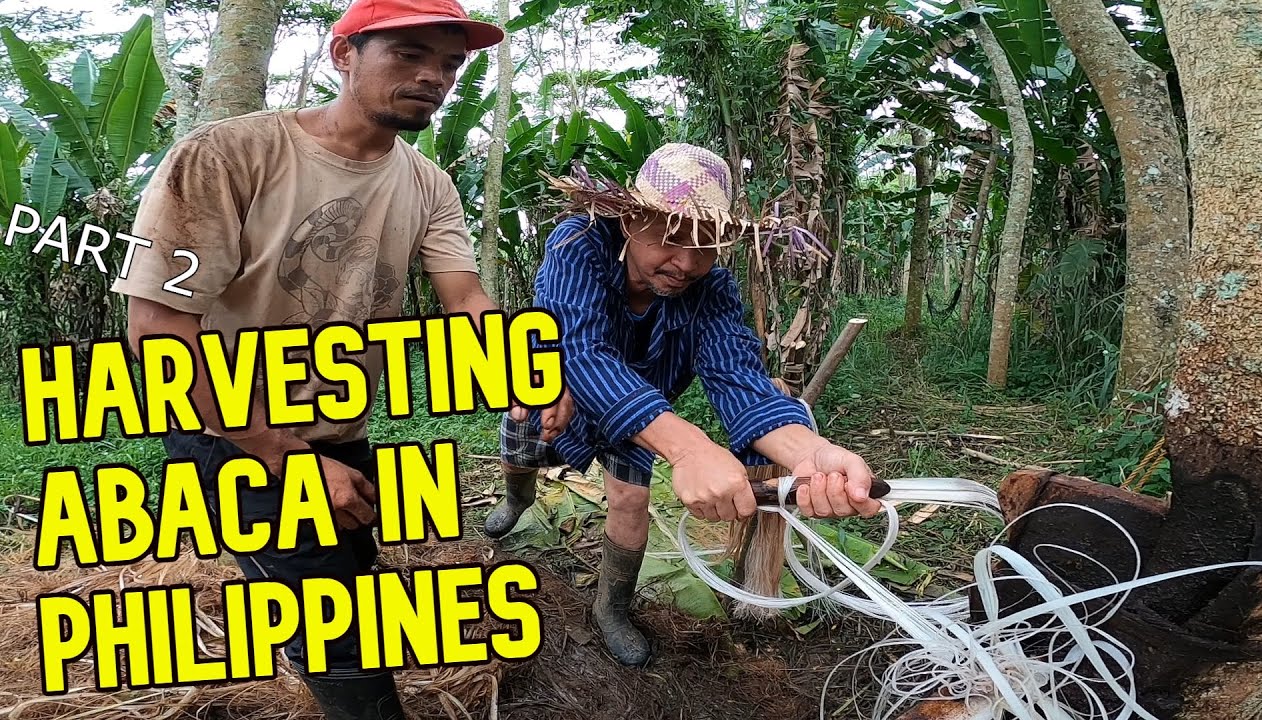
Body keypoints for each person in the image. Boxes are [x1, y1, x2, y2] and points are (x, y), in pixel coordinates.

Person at [111, 1, 569, 718]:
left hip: (339, 428)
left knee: (351, 570)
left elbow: (464, 295)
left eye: (450, 63)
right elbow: (159, 328)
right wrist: (288, 456)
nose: (434, 76)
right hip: (233, 433)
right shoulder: (228, 155)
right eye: (409, 54)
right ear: (343, 54)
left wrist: (524, 368)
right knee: (337, 630)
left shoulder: (428, 183)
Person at [484, 143, 883, 667]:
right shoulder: (579, 243)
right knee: (520, 447)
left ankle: (611, 609)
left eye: (707, 246)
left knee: (630, 500)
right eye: (672, 238)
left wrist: (809, 452)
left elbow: (738, 377)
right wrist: (690, 449)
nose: (688, 263)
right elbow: (578, 348)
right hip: (557, 391)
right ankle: (517, 499)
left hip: (644, 415)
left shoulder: (712, 289)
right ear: (630, 220)